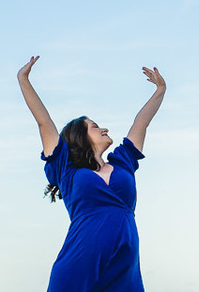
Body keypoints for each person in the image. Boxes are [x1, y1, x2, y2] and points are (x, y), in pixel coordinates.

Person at [17, 56, 167, 292]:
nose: (104, 128)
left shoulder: (123, 162)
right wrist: (23, 80)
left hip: (124, 262)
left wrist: (160, 90)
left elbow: (141, 124)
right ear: (80, 136)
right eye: (95, 126)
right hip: (80, 259)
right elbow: (44, 123)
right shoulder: (66, 169)